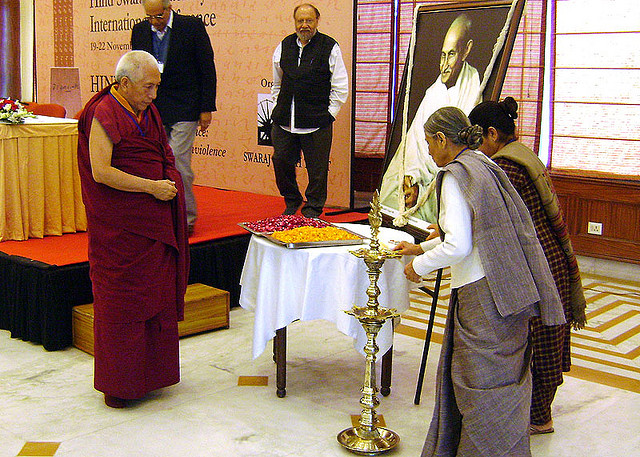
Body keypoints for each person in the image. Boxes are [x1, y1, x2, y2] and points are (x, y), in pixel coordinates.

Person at [393, 107, 566, 456]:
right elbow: (474, 231)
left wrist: (419, 266)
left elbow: (459, 244)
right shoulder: (484, 164)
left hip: (482, 294)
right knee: (505, 382)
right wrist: (419, 246)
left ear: (443, 139)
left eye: (429, 142)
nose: (428, 151)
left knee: (478, 383)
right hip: (508, 290)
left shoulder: (455, 175)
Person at [77, 50, 190, 408]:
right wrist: (152, 187)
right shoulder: (103, 113)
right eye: (148, 87)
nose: (154, 95)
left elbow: (162, 154)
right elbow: (101, 172)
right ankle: (121, 384)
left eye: (157, 87)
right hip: (120, 226)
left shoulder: (147, 110)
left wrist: (168, 177)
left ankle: (152, 376)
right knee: (123, 305)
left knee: (154, 297)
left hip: (152, 222)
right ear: (124, 84)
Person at [468, 97, 587, 435]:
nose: (475, 148)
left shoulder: (507, 168)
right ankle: (537, 412)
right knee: (545, 335)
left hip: (539, 263)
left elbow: (489, 218)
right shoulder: (524, 155)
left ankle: (538, 417)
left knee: (538, 338)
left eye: (477, 138)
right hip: (550, 258)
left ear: (492, 134)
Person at [380, 13, 481, 224]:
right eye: (442, 55)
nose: (444, 64)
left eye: (451, 55)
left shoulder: (474, 87)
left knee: (438, 202)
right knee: (391, 191)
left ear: (466, 50)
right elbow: (415, 143)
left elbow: (457, 150)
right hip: (423, 172)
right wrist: (412, 178)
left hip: (446, 171)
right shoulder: (433, 92)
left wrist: (426, 184)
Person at [131, 0, 217, 235]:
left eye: (158, 16)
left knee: (178, 161)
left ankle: (186, 218)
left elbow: (206, 68)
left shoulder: (191, 27)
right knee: (153, 162)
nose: (154, 22)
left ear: (169, 8)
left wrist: (206, 107)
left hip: (186, 107)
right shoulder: (139, 31)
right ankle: (161, 216)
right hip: (152, 107)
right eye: (149, 17)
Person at [270, 3, 349, 218]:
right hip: (285, 122)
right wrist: (278, 106)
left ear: (317, 21)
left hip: (317, 123)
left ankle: (313, 208)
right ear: (295, 22)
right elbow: (277, 83)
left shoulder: (329, 46)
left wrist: (329, 114)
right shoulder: (284, 46)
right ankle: (292, 199)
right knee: (281, 162)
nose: (304, 25)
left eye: (309, 20)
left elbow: (340, 87)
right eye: (300, 21)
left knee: (317, 171)